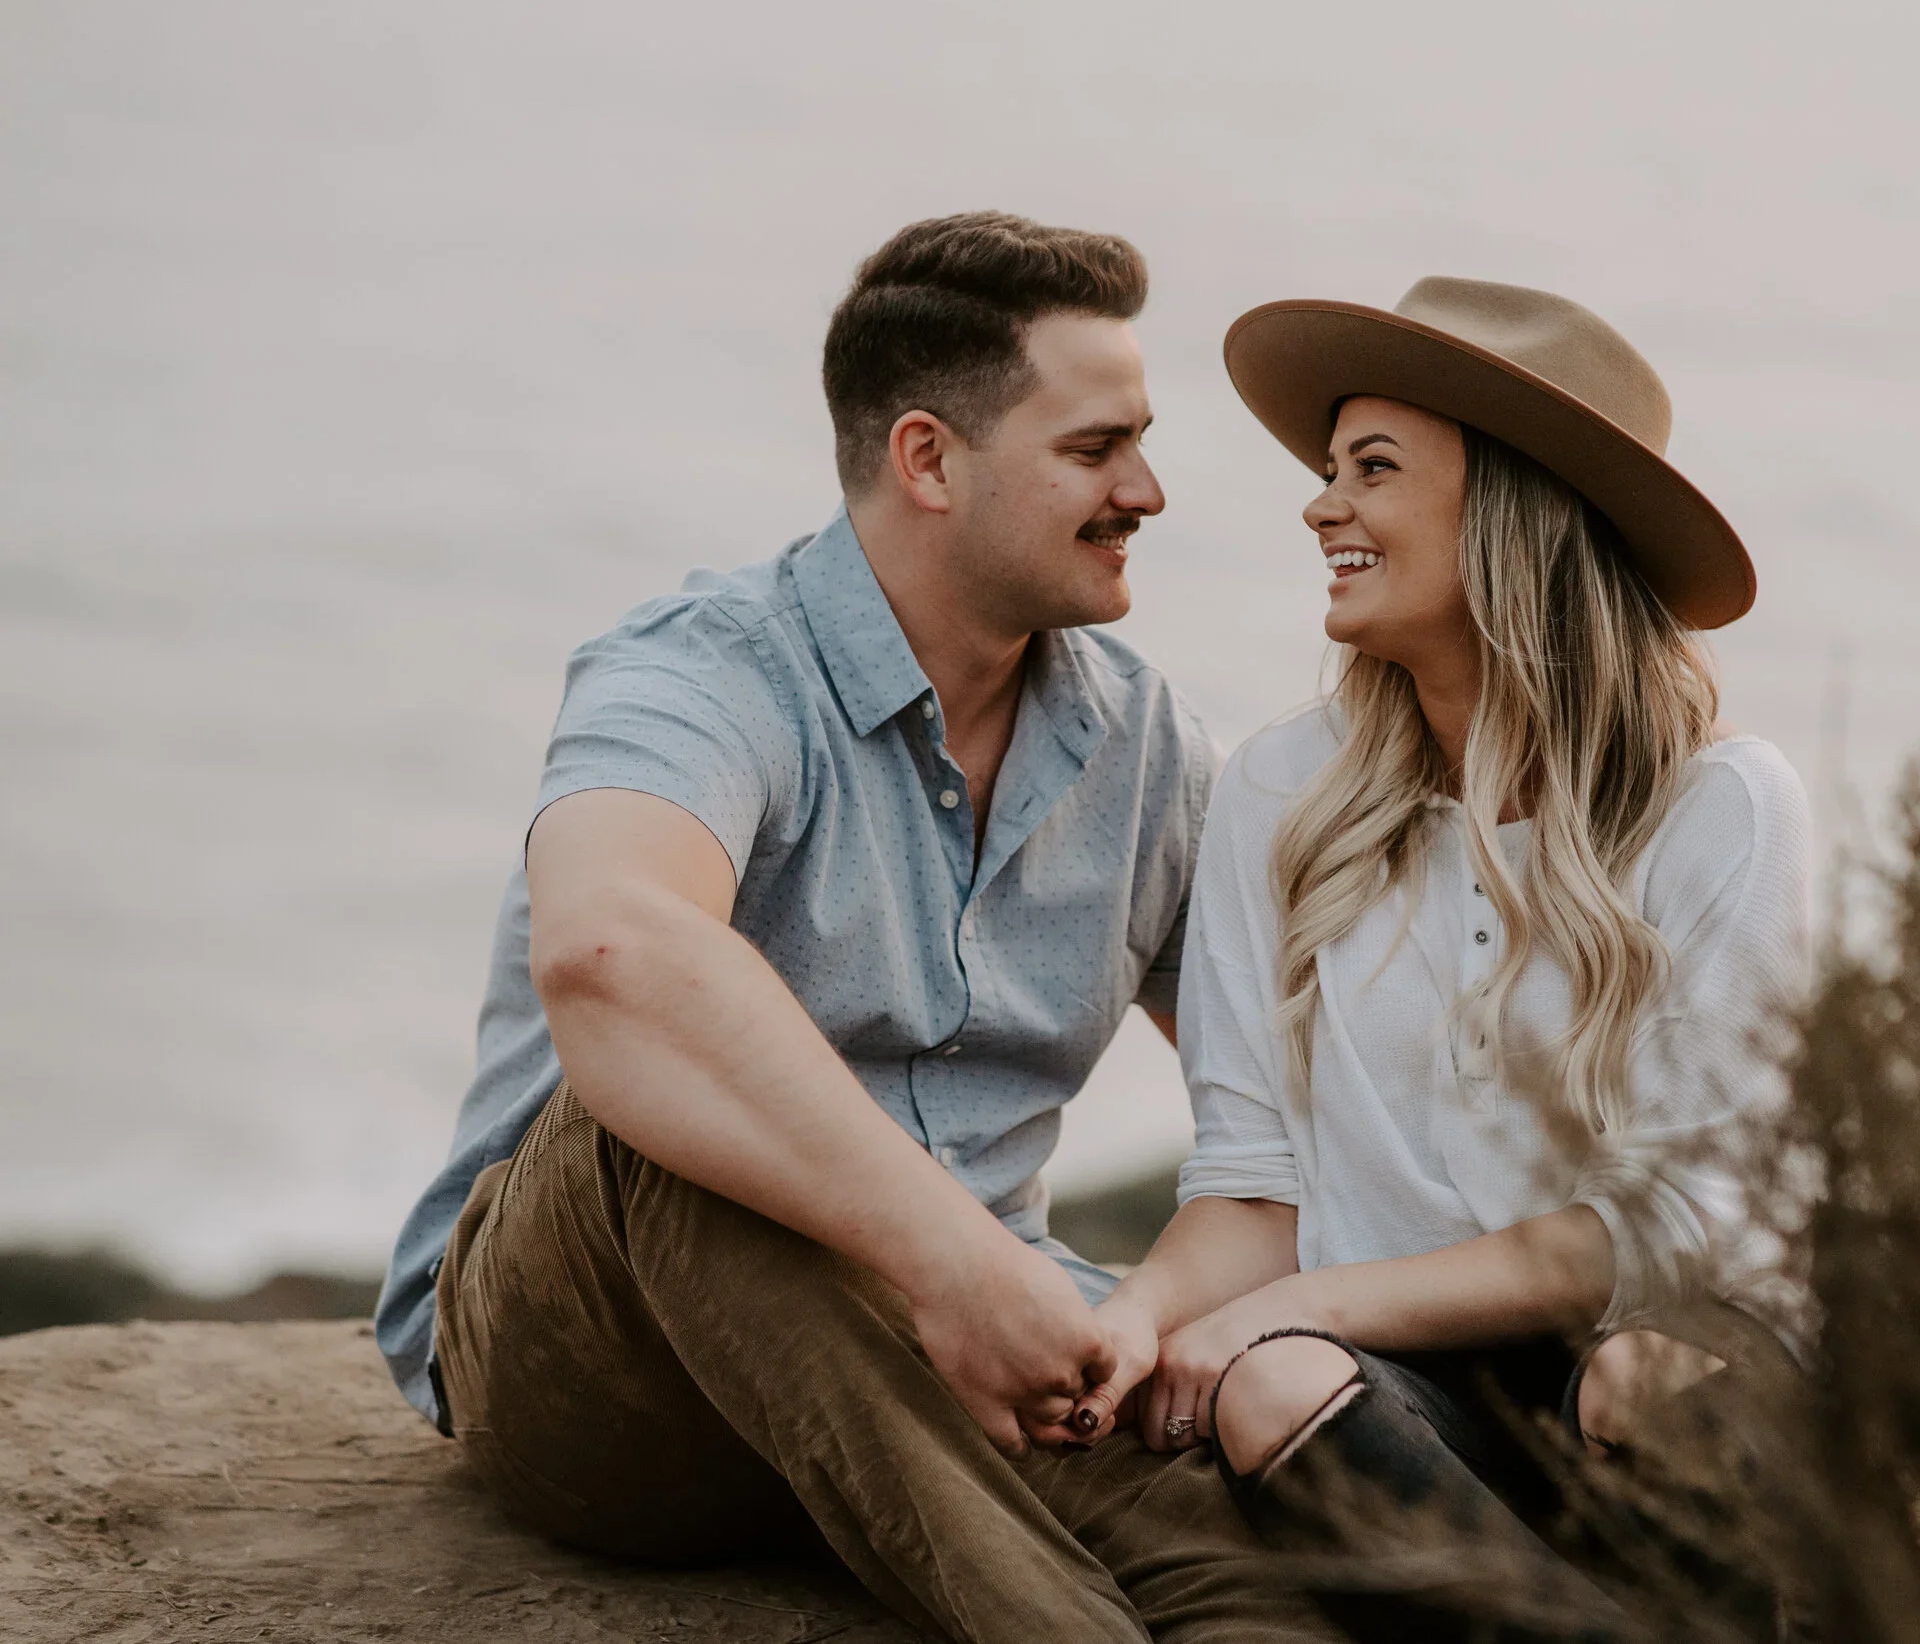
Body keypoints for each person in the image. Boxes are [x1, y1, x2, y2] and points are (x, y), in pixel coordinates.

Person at [372, 212, 1330, 1644]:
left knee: (1265, 1572)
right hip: (602, 1372)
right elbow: (612, 952)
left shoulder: (1145, 752)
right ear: (929, 459)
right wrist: (960, 1261)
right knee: (662, 1108)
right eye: (1095, 449)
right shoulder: (702, 669)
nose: (1149, 488)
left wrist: (1130, 1317)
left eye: (1140, 441)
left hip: (941, 1382)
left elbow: (1287, 1118)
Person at [1064, 279, 1812, 1639]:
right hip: (1411, 1388)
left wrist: (1306, 1299)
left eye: (1373, 469)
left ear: (1512, 510)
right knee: (1270, 1384)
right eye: (1329, 467)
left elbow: (1662, 1226)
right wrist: (1142, 1321)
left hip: (1671, 1352)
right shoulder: (1282, 794)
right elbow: (1251, 1185)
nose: (1319, 506)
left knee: (1632, 1380)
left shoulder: (1724, 805)